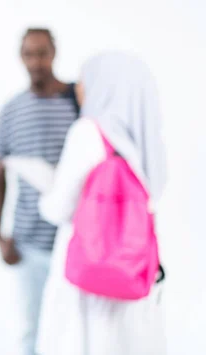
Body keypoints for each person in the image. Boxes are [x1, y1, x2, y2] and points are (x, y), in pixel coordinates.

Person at [35, 52, 168, 355]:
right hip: (130, 273)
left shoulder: (88, 132)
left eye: (84, 80)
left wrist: (45, 191)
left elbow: (58, 208)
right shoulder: (144, 143)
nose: (78, 89)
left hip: (89, 280)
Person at [0, 28, 79, 355]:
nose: (36, 61)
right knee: (32, 331)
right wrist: (0, 235)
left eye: (41, 53)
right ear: (21, 57)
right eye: (29, 54)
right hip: (29, 244)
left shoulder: (76, 102)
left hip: (73, 240)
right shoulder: (12, 111)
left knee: (72, 330)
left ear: (54, 53)